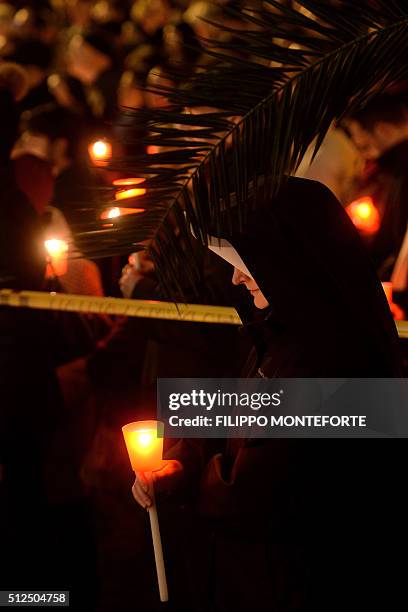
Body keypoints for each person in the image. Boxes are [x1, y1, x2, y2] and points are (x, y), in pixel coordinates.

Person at [131, 177, 405, 612]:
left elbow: (257, 492)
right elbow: (239, 415)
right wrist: (178, 463)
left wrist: (191, 474)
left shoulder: (334, 355)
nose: (237, 278)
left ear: (287, 260)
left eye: (246, 262)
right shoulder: (280, 335)